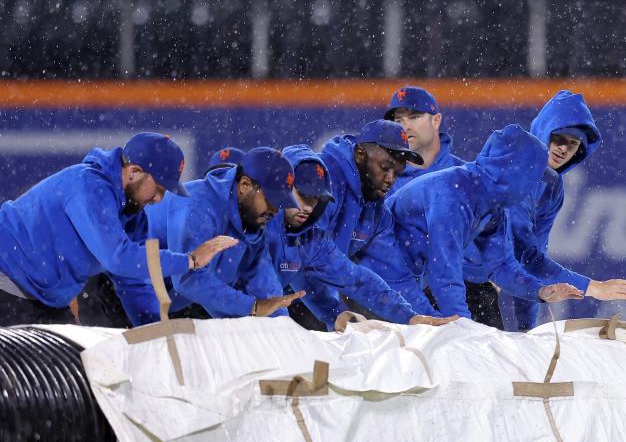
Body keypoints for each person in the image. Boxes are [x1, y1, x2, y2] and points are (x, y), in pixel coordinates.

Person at [0, 132, 234, 326]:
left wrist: (157, 332)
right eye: (159, 188)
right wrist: (189, 260)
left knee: (75, 374)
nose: (159, 198)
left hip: (41, 297)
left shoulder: (133, 218)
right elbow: (118, 258)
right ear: (133, 172)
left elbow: (134, 283)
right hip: (7, 278)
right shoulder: (89, 186)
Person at [369, 124, 584, 319]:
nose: (534, 187)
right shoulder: (454, 194)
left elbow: (501, 266)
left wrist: (540, 291)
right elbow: (443, 271)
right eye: (533, 177)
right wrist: (463, 325)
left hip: (398, 282)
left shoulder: (491, 205)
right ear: (511, 171)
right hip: (374, 281)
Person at [268, 145, 457, 331]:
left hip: (290, 299)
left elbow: (356, 278)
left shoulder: (311, 238)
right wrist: (331, 312)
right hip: (278, 304)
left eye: (315, 198)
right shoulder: (255, 224)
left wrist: (411, 316)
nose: (308, 207)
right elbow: (262, 286)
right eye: (302, 194)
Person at [508, 90, 626, 330]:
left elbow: (530, 261)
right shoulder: (516, 173)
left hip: (472, 278)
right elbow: (524, 257)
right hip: (448, 274)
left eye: (573, 144)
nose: (564, 149)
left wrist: (525, 329)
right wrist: (595, 288)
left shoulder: (551, 186)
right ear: (543, 132)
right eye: (559, 138)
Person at [152, 146, 305, 319]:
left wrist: (282, 324)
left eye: (280, 203)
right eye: (271, 199)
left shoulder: (251, 222)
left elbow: (263, 284)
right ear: (245, 185)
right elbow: (187, 278)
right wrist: (252, 307)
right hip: (123, 290)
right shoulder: (198, 204)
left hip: (164, 302)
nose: (275, 210)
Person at [318, 119, 421, 267]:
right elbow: (305, 254)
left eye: (397, 172)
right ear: (360, 155)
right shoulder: (322, 180)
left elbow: (393, 275)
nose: (390, 179)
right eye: (385, 167)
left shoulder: (379, 215)